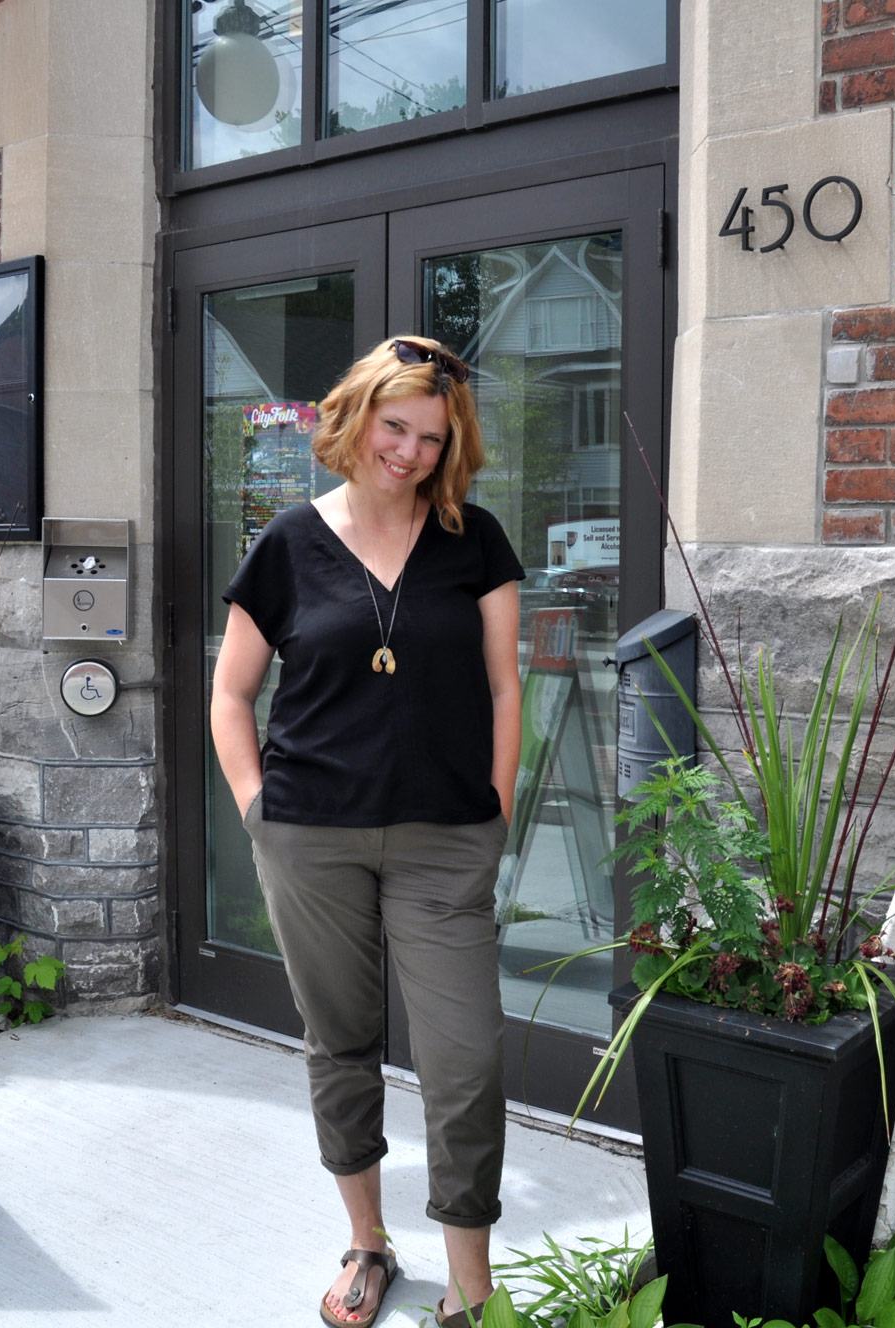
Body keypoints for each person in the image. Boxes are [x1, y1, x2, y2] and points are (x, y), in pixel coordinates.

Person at [212, 336, 523, 1328]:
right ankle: (367, 1240)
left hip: (443, 839)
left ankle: (469, 1283)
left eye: (432, 437)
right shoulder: (289, 543)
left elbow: (506, 682)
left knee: (463, 1059)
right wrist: (257, 809)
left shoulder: (475, 539)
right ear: (354, 420)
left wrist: (497, 808)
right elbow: (229, 692)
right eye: (395, 426)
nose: (409, 451)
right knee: (340, 1041)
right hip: (310, 835)